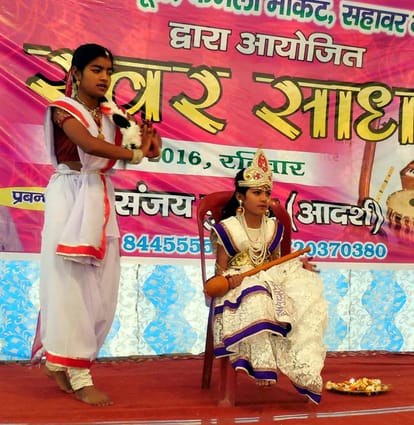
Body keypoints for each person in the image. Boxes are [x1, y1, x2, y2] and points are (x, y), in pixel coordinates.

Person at [31, 43, 161, 406]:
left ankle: (60, 359)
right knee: (71, 285)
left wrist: (149, 144)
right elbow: (88, 145)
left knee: (103, 290)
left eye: (108, 71)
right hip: (70, 198)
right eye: (96, 70)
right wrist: (134, 152)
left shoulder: (112, 114)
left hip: (99, 197)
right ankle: (78, 372)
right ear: (76, 73)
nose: (104, 77)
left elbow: (141, 150)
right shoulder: (63, 109)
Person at [210, 148, 328, 404]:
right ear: (240, 197)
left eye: (267, 193)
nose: (264, 199)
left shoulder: (274, 226)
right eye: (257, 193)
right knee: (258, 296)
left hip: (269, 277)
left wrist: (297, 265)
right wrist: (229, 280)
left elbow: (275, 262)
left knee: (306, 292)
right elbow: (220, 271)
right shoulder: (228, 228)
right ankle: (261, 364)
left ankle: (304, 369)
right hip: (237, 284)